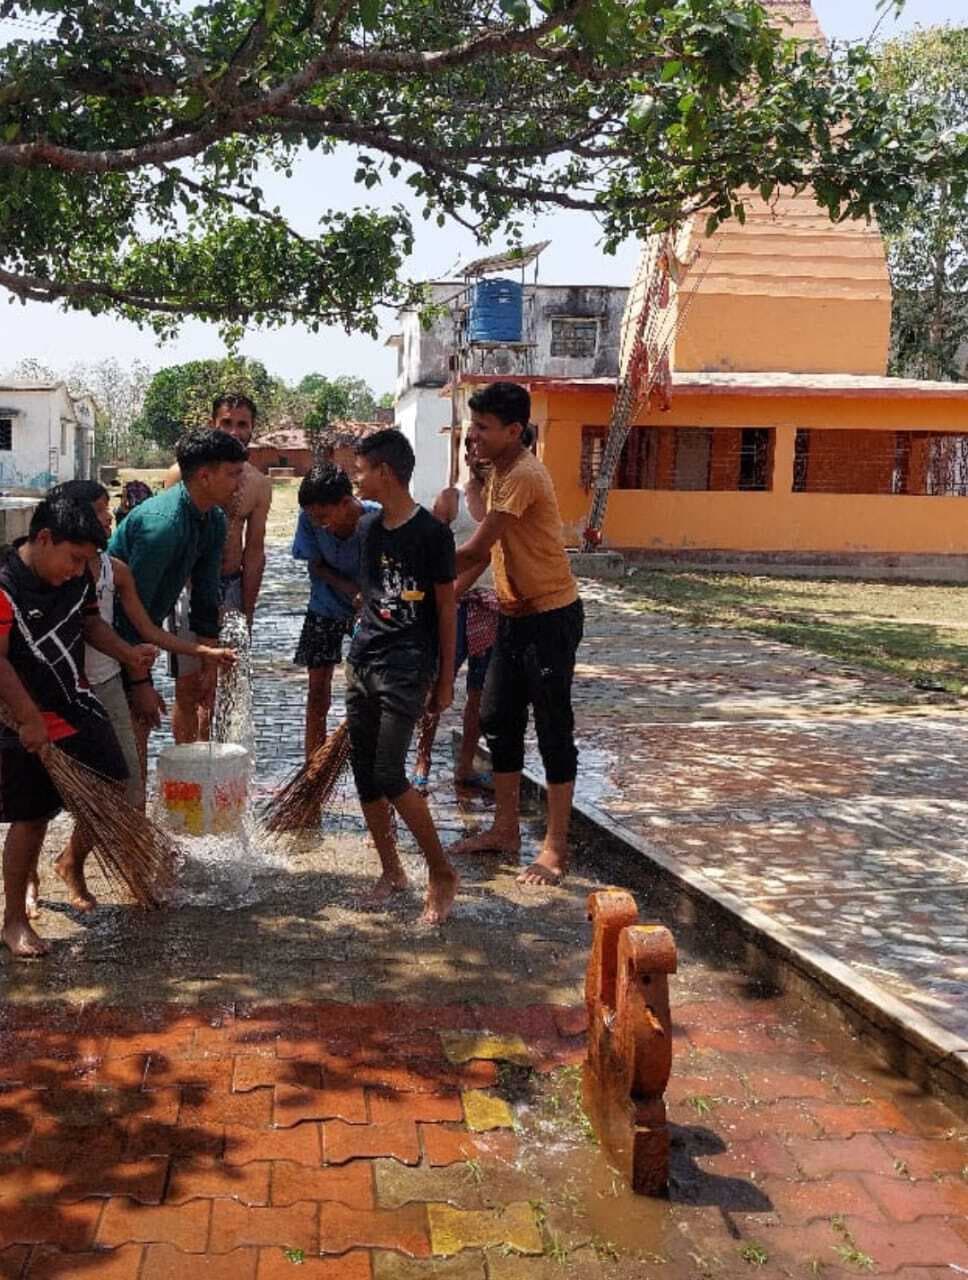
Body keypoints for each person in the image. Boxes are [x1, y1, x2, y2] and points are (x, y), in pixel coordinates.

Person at [44, 480, 236, 912]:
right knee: (44, 792)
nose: (109, 518)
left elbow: (144, 628)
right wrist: (139, 672)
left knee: (125, 783)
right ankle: (26, 892)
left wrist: (202, 651)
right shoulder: (53, 571)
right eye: (98, 510)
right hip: (59, 687)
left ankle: (104, 868)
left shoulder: (115, 570)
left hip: (107, 681)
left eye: (107, 508)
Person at [0, 497, 147, 957]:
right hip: (14, 710)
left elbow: (89, 625)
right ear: (44, 539)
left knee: (116, 779)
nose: (79, 570)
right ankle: (14, 920)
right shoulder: (4, 586)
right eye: (74, 558)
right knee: (31, 816)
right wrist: (27, 718)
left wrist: (128, 654)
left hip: (72, 700)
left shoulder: (77, 575)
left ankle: (70, 862)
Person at [451, 382, 583, 887]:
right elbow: (486, 552)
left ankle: (554, 847)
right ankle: (505, 831)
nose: (474, 436)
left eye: (483, 428)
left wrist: (414, 574)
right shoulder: (501, 473)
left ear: (514, 431)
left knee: (553, 729)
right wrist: (447, 596)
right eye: (472, 426)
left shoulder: (524, 473)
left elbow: (475, 546)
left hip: (550, 615)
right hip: (513, 614)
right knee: (497, 719)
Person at [347, 429, 459, 925]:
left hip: (408, 666)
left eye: (362, 468)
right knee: (366, 774)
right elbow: (369, 596)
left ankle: (440, 872)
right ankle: (392, 871)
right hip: (364, 661)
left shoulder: (432, 535)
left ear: (385, 473)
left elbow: (446, 609)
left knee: (392, 774)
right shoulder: (367, 530)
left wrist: (445, 679)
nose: (357, 476)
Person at [109, 429, 247, 774]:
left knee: (135, 735)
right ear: (204, 476)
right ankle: (128, 818)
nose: (239, 484)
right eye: (232, 474)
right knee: (127, 740)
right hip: (106, 636)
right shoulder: (163, 527)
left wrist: (209, 668)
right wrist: (141, 682)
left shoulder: (213, 518)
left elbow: (205, 597)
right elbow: (127, 615)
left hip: (139, 634)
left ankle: (133, 817)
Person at [164, 394, 272, 743]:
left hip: (230, 587)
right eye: (226, 422)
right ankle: (187, 775)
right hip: (189, 585)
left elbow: (254, 552)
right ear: (213, 424)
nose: (235, 431)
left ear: (252, 429)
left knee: (224, 687)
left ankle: (217, 770)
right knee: (188, 685)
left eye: (242, 424)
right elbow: (173, 541)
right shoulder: (180, 475)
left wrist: (248, 611)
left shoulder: (258, 484)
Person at [412, 439, 499, 791]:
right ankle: (423, 759)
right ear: (466, 456)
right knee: (437, 683)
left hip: (495, 607)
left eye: (487, 449)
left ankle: (465, 764)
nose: (482, 456)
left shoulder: (504, 502)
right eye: (475, 450)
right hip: (456, 606)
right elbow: (432, 555)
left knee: (478, 691)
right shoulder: (451, 500)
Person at [292, 463, 378, 760]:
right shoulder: (309, 520)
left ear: (345, 503)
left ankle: (370, 756)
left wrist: (367, 598)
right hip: (325, 604)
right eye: (314, 519)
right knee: (317, 690)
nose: (319, 524)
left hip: (370, 609)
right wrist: (349, 589)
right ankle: (313, 763)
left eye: (324, 518)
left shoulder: (376, 518)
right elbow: (315, 565)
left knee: (370, 687)